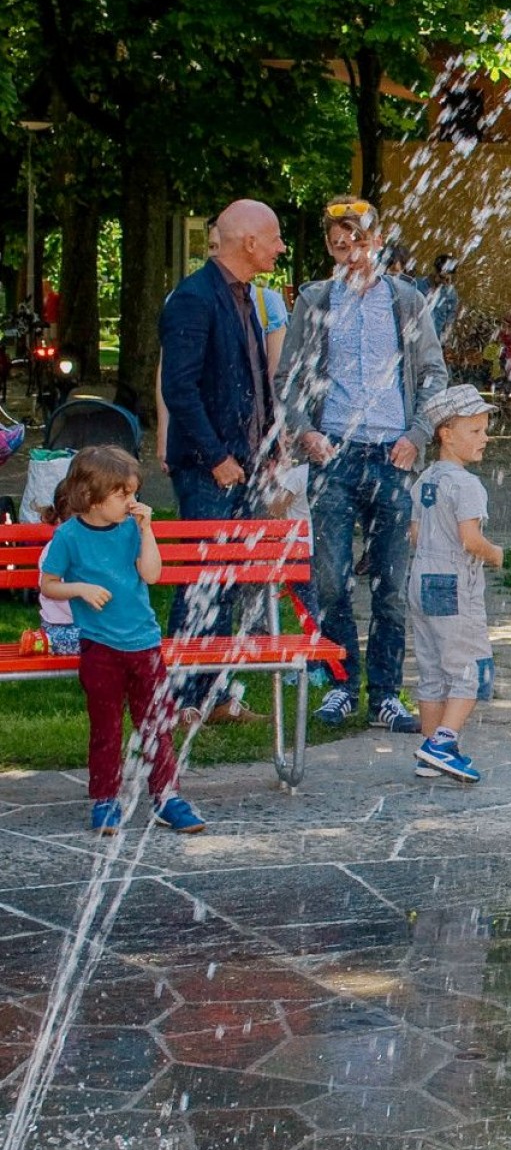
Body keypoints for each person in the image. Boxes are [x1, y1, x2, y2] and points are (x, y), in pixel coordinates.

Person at [277, 196, 449, 732]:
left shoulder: (406, 300)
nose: (348, 251)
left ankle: (386, 694)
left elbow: (434, 376)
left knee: (392, 585)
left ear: (377, 241)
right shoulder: (315, 300)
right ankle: (341, 684)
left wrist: (417, 436)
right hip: (334, 455)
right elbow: (289, 380)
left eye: (356, 240)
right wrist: (305, 431)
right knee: (329, 579)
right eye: (337, 243)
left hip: (392, 457)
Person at [156, 197, 285, 722]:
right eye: (274, 237)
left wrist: (270, 447)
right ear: (248, 242)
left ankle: (213, 695)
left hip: (245, 466)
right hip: (209, 471)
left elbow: (256, 379)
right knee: (199, 579)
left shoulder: (244, 296)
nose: (280, 247)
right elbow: (179, 390)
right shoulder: (193, 299)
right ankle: (180, 698)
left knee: (226, 582)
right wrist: (216, 458)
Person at [37, 447, 205, 834]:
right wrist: (79, 588)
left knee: (157, 725)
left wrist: (147, 531)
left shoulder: (132, 528)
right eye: (123, 494)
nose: (133, 502)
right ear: (92, 496)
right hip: (100, 649)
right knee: (107, 727)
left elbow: (152, 574)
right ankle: (105, 800)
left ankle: (167, 798)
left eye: (133, 492)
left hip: (144, 645)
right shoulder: (69, 537)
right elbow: (49, 585)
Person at [407, 387, 504, 784]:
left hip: (420, 579)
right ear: (446, 434)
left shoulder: (425, 480)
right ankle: (442, 743)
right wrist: (497, 554)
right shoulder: (467, 485)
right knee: (471, 668)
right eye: (476, 430)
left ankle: (429, 750)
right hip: (453, 583)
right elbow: (470, 540)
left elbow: (414, 534)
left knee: (432, 668)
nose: (485, 438)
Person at [424, 257, 461, 345]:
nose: (444, 282)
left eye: (447, 279)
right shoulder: (418, 285)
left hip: (431, 340)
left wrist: (442, 340)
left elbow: (449, 320)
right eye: (441, 277)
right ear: (435, 272)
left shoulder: (451, 294)